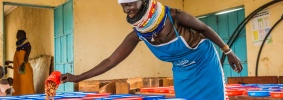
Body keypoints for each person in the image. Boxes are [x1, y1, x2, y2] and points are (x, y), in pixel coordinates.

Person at [61, 0, 243, 99]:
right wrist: (77, 77)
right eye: (123, 6)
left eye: (130, 4)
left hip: (204, 64)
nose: (126, 10)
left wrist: (228, 52)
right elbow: (111, 61)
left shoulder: (174, 16)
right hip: (182, 72)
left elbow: (204, 29)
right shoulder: (138, 34)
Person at [6, 30, 35, 95]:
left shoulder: (27, 45)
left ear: (25, 36)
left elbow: (25, 60)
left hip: (24, 71)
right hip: (19, 71)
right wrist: (11, 62)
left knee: (26, 89)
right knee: (19, 88)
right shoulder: (18, 47)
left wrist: (20, 68)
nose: (18, 36)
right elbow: (19, 60)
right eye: (18, 34)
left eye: (20, 34)